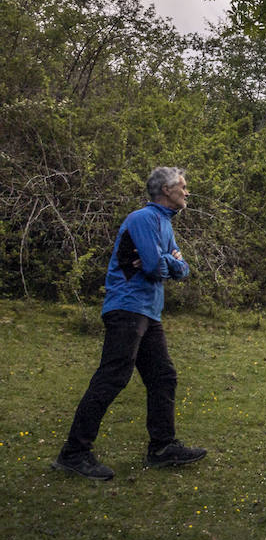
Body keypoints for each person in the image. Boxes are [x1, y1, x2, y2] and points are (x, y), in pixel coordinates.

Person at [51, 166, 207, 480]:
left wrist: (171, 262)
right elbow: (152, 266)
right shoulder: (142, 218)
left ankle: (163, 447)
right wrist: (169, 260)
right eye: (183, 186)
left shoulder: (164, 224)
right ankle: (74, 453)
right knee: (113, 377)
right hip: (127, 308)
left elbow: (183, 268)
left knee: (163, 376)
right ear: (166, 189)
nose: (187, 192)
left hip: (149, 311)